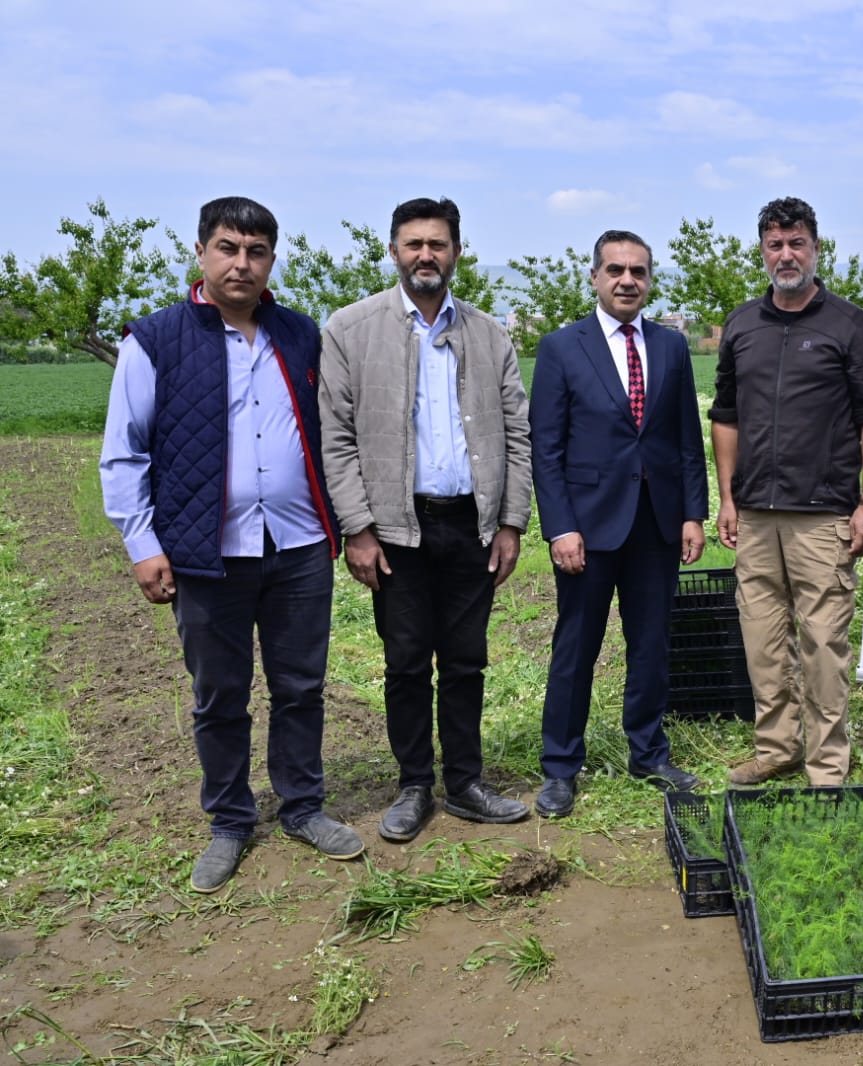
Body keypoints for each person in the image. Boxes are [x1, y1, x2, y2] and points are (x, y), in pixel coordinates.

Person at [100, 196, 361, 893]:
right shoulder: (155, 340)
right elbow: (124, 451)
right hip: (205, 552)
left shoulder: (300, 335)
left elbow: (333, 432)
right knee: (219, 694)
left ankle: (302, 807)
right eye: (227, 248)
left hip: (299, 544)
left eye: (255, 251)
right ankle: (230, 820)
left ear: (271, 259)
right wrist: (142, 543)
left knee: (300, 687)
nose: (241, 263)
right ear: (200, 253)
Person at [319, 197, 533, 843]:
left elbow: (517, 435)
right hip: (395, 529)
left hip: (471, 524)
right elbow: (336, 440)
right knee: (407, 662)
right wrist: (357, 528)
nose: (425, 255)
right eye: (413, 244)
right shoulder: (351, 330)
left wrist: (511, 522)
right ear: (394, 251)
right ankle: (414, 784)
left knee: (466, 661)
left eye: (437, 244)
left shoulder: (489, 334)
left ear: (456, 252)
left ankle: (465, 783)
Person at [709, 197, 863, 787]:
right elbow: (725, 417)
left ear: (816, 249)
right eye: (775, 245)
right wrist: (727, 498)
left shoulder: (850, 325)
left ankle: (827, 765)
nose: (786, 255)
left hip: (823, 516)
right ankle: (777, 749)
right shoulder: (742, 325)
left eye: (797, 244)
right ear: (762, 252)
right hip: (755, 515)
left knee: (822, 645)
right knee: (763, 641)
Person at [529, 230, 709, 817]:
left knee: (651, 645)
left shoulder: (671, 346)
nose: (627, 280)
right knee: (576, 648)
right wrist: (560, 527)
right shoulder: (562, 348)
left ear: (649, 280)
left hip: (656, 524)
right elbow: (546, 449)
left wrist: (693, 513)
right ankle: (561, 767)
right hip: (588, 529)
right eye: (615, 270)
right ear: (595, 277)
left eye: (638, 271)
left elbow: (686, 439)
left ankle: (649, 754)